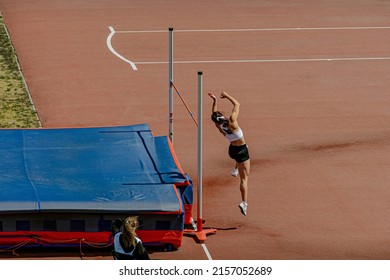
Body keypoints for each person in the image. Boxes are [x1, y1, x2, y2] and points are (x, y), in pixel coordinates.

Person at [208, 91, 250, 216]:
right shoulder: (232, 121)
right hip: (241, 151)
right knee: (244, 179)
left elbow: (214, 115)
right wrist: (226, 96)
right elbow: (237, 104)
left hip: (232, 151)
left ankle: (236, 169)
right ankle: (244, 202)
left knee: (242, 154)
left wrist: (214, 100)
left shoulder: (219, 126)